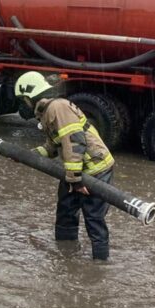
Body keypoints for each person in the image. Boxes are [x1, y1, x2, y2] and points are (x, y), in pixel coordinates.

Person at [14, 71, 115, 260]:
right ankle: (65, 254)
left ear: (30, 95)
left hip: (96, 169)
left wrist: (75, 181)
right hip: (75, 171)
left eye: (23, 100)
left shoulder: (57, 108)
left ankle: (100, 264)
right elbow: (52, 147)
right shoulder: (47, 112)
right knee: (66, 210)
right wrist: (29, 155)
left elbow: (74, 142)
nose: (24, 104)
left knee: (94, 217)